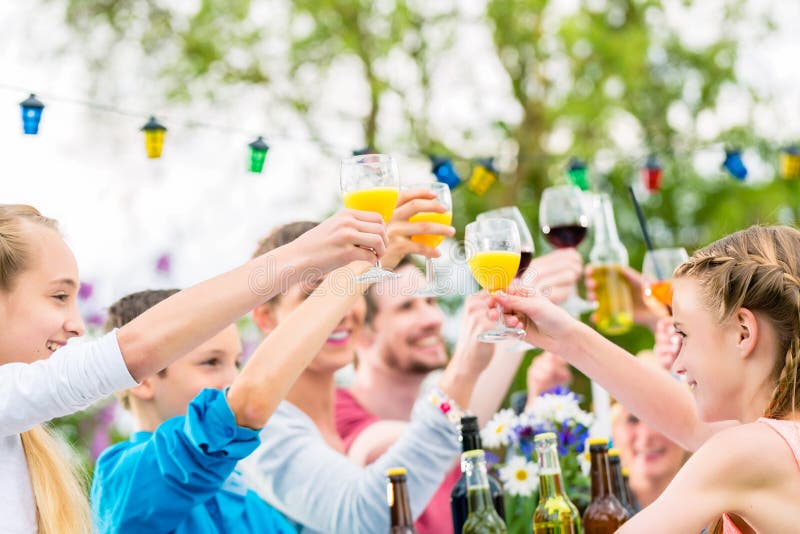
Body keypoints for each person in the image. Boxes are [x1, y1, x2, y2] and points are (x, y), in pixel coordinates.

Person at [0, 203, 387, 534]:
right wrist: (325, 263)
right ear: (143, 381)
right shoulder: (127, 478)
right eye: (59, 296)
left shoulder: (249, 489)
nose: (77, 324)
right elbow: (237, 404)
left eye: (235, 362)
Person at [491, 225, 800, 533]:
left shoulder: (746, 451)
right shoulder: (774, 443)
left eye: (685, 334)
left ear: (743, 333)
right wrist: (563, 336)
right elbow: (686, 422)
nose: (678, 364)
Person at [240, 190, 505, 533]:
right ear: (264, 318)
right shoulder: (264, 430)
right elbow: (364, 516)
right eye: (313, 294)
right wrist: (465, 368)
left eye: (348, 287)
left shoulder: (333, 425)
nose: (341, 309)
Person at [336, 253, 579, 534]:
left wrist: (519, 311)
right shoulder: (339, 414)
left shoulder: (451, 420)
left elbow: (461, 427)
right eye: (406, 307)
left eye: (430, 301)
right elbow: (428, 444)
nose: (433, 319)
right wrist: (472, 353)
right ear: (361, 332)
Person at [610, 352, 689, 511]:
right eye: (633, 419)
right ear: (615, 429)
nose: (646, 436)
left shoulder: (719, 514)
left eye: (661, 418)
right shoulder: (588, 507)